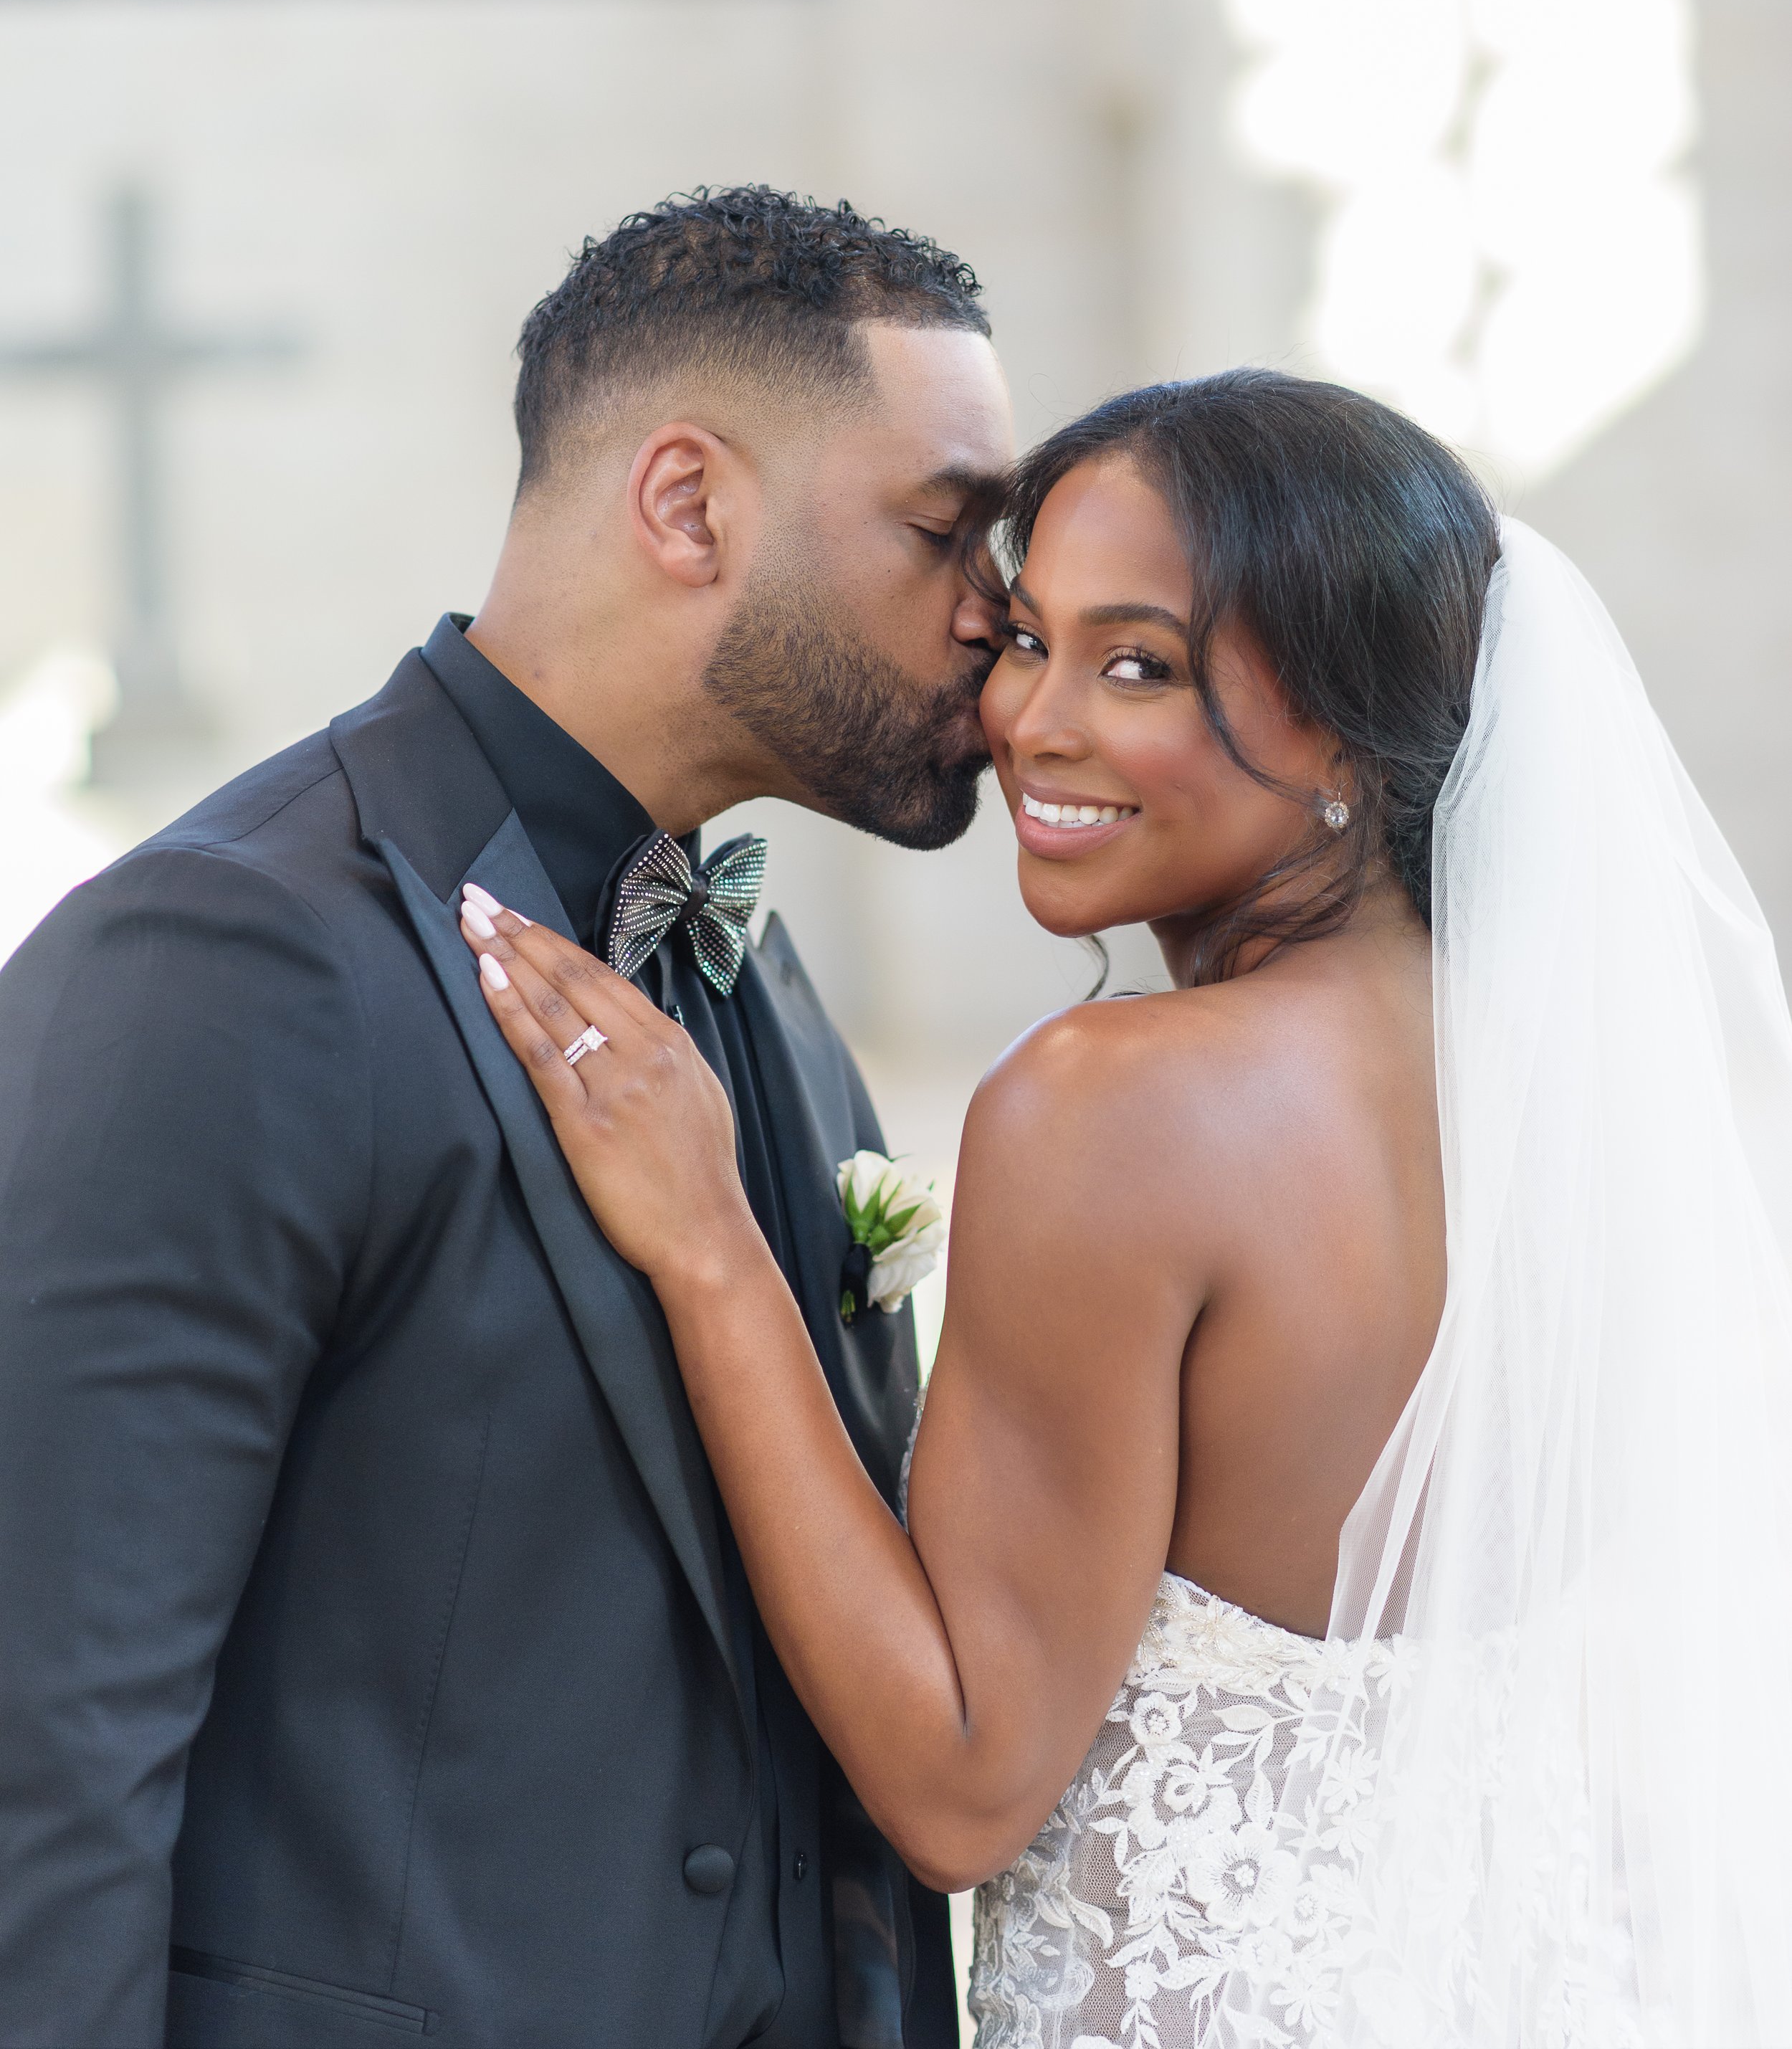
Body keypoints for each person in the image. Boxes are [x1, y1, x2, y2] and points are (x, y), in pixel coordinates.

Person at [458, 369, 1792, 2046]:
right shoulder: (1555, 1084)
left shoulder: (1112, 1104)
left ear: (1340, 732)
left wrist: (712, 1249)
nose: (1036, 722)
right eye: (1026, 637)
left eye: (1139, 664)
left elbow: (959, 1786)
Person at [0, 186, 1013, 2049]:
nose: (993, 615)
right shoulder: (217, 963)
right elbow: (40, 1765)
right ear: (689, 502)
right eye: (945, 528)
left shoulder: (763, 986)